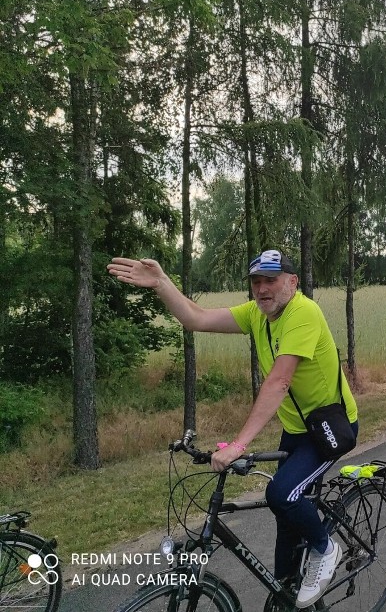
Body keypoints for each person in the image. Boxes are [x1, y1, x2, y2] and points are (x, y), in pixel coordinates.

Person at [107, 249, 357, 609]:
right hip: (297, 429)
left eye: (270, 280)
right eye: (256, 282)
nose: (262, 289)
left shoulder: (303, 312)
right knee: (286, 517)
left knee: (282, 495)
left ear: (292, 282)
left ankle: (326, 548)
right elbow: (196, 318)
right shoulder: (257, 314)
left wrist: (238, 444)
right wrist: (161, 283)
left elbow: (279, 381)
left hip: (330, 429)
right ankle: (287, 595)